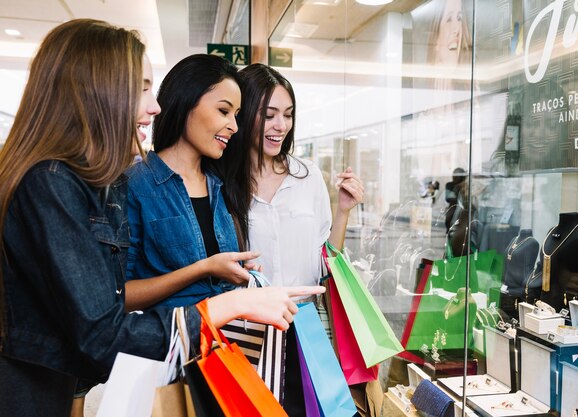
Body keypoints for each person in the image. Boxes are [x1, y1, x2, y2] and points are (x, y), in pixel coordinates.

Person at [0, 19, 322, 417]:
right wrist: (230, 304)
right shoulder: (55, 184)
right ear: (98, 90)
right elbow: (104, 329)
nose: (154, 106)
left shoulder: (213, 187)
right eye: (142, 88)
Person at [218, 63, 364, 416]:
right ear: (246, 113)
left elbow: (323, 261)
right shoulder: (222, 181)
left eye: (288, 115)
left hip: (304, 329)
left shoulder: (307, 176)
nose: (280, 126)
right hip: (247, 333)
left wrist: (342, 211)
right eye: (269, 115)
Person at [124, 54, 260, 311]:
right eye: (223, 111)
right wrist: (203, 268)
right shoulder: (135, 185)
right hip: (171, 345)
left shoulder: (220, 184)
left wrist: (238, 273)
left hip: (223, 344)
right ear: (186, 101)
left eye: (236, 115)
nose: (234, 126)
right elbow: (120, 295)